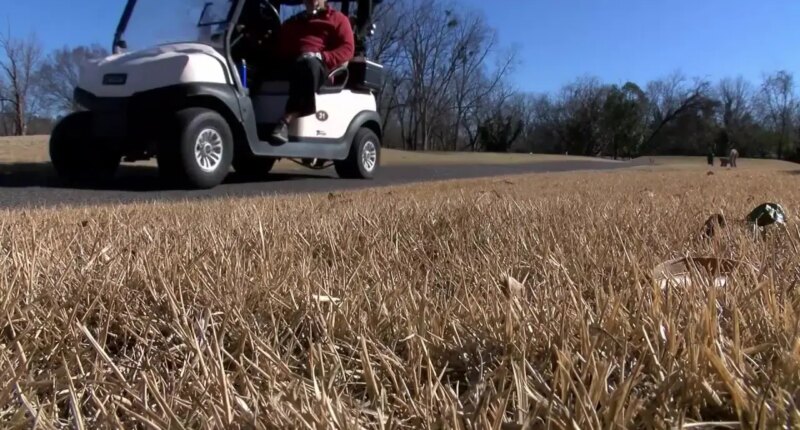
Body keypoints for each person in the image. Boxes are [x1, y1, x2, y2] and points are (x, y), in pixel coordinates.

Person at [269, 0, 355, 143]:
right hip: (294, 64)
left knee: (308, 64)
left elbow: (347, 49)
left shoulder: (338, 19)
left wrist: (322, 56)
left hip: (320, 67)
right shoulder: (295, 22)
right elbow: (280, 44)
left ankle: (286, 120)